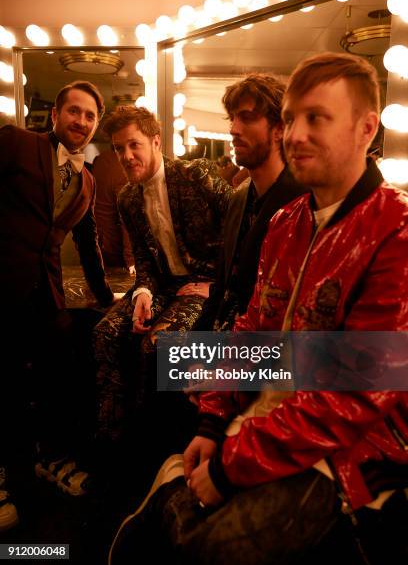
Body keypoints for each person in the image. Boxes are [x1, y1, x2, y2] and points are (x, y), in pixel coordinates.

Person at [109, 53, 408, 565]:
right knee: (150, 523)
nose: (294, 134)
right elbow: (255, 330)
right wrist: (213, 420)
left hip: (350, 445)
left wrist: (230, 465)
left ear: (366, 128)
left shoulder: (395, 231)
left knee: (205, 547)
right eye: (291, 119)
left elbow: (354, 392)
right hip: (261, 401)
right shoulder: (284, 219)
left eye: (316, 118)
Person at [0, 80, 117, 529]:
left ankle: (47, 458)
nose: (81, 122)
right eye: (74, 112)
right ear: (55, 115)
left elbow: (89, 247)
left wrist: (107, 299)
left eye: (90, 116)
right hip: (1, 288)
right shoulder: (16, 143)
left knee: (57, 380)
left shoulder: (86, 182)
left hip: (44, 296)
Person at [94, 106, 232, 447]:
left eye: (133, 145)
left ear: (156, 141)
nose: (126, 156)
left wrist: (219, 287)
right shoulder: (127, 197)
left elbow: (244, 226)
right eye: (118, 148)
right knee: (104, 333)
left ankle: (151, 441)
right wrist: (142, 292)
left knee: (156, 346)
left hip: (207, 286)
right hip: (162, 286)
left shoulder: (195, 174)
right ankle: (112, 435)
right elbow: (143, 259)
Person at [194, 73, 306, 332]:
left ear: (280, 129)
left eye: (247, 117)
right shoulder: (238, 198)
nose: (233, 129)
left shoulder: (303, 202)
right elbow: (223, 287)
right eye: (232, 118)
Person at [92, 148, 134, 271]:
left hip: (99, 243)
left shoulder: (101, 159)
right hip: (114, 248)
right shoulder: (121, 166)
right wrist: (131, 259)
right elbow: (126, 215)